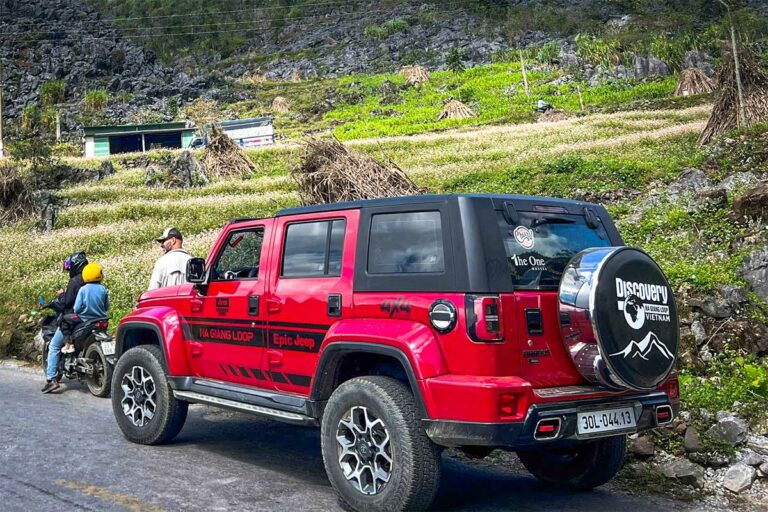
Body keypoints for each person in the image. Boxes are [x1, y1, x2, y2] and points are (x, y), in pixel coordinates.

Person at [41, 252, 88, 394]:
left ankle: (51, 381)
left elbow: (67, 303)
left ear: (75, 265)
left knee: (54, 346)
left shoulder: (75, 281)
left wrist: (61, 294)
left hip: (74, 320)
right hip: (90, 318)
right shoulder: (92, 281)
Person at [61, 262, 110, 356]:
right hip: (101, 319)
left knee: (64, 320)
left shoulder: (83, 289)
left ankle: (69, 343)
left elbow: (77, 308)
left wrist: (79, 311)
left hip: (85, 319)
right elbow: (107, 306)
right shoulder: (103, 289)